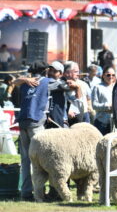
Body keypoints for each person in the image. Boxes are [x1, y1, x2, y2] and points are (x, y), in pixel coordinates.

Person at [14, 61, 50, 201]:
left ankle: (26, 193)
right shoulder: (47, 81)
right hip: (36, 123)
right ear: (45, 70)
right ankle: (39, 193)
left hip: (23, 122)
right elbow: (64, 86)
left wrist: (24, 79)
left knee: (25, 160)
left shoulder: (23, 83)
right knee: (40, 160)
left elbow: (14, 82)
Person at [91, 66, 116, 135]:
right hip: (101, 122)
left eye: (113, 75)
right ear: (103, 76)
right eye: (108, 75)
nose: (111, 77)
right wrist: (107, 106)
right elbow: (94, 105)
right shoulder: (97, 87)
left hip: (114, 123)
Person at [63, 61, 90, 126]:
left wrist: (88, 107)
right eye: (75, 72)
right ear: (66, 73)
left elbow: (88, 98)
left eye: (78, 71)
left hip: (84, 115)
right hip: (71, 117)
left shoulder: (84, 84)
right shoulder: (61, 85)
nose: (78, 74)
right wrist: (67, 111)